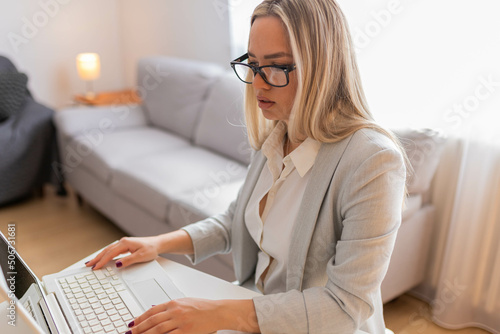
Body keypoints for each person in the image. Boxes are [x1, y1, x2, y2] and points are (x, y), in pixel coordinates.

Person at [86, 0, 408, 333]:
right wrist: (157, 244)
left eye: (277, 66)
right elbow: (234, 222)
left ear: (323, 65)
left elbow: (344, 308)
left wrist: (218, 313)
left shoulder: (373, 163)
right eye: (253, 64)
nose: (258, 83)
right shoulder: (278, 132)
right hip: (260, 315)